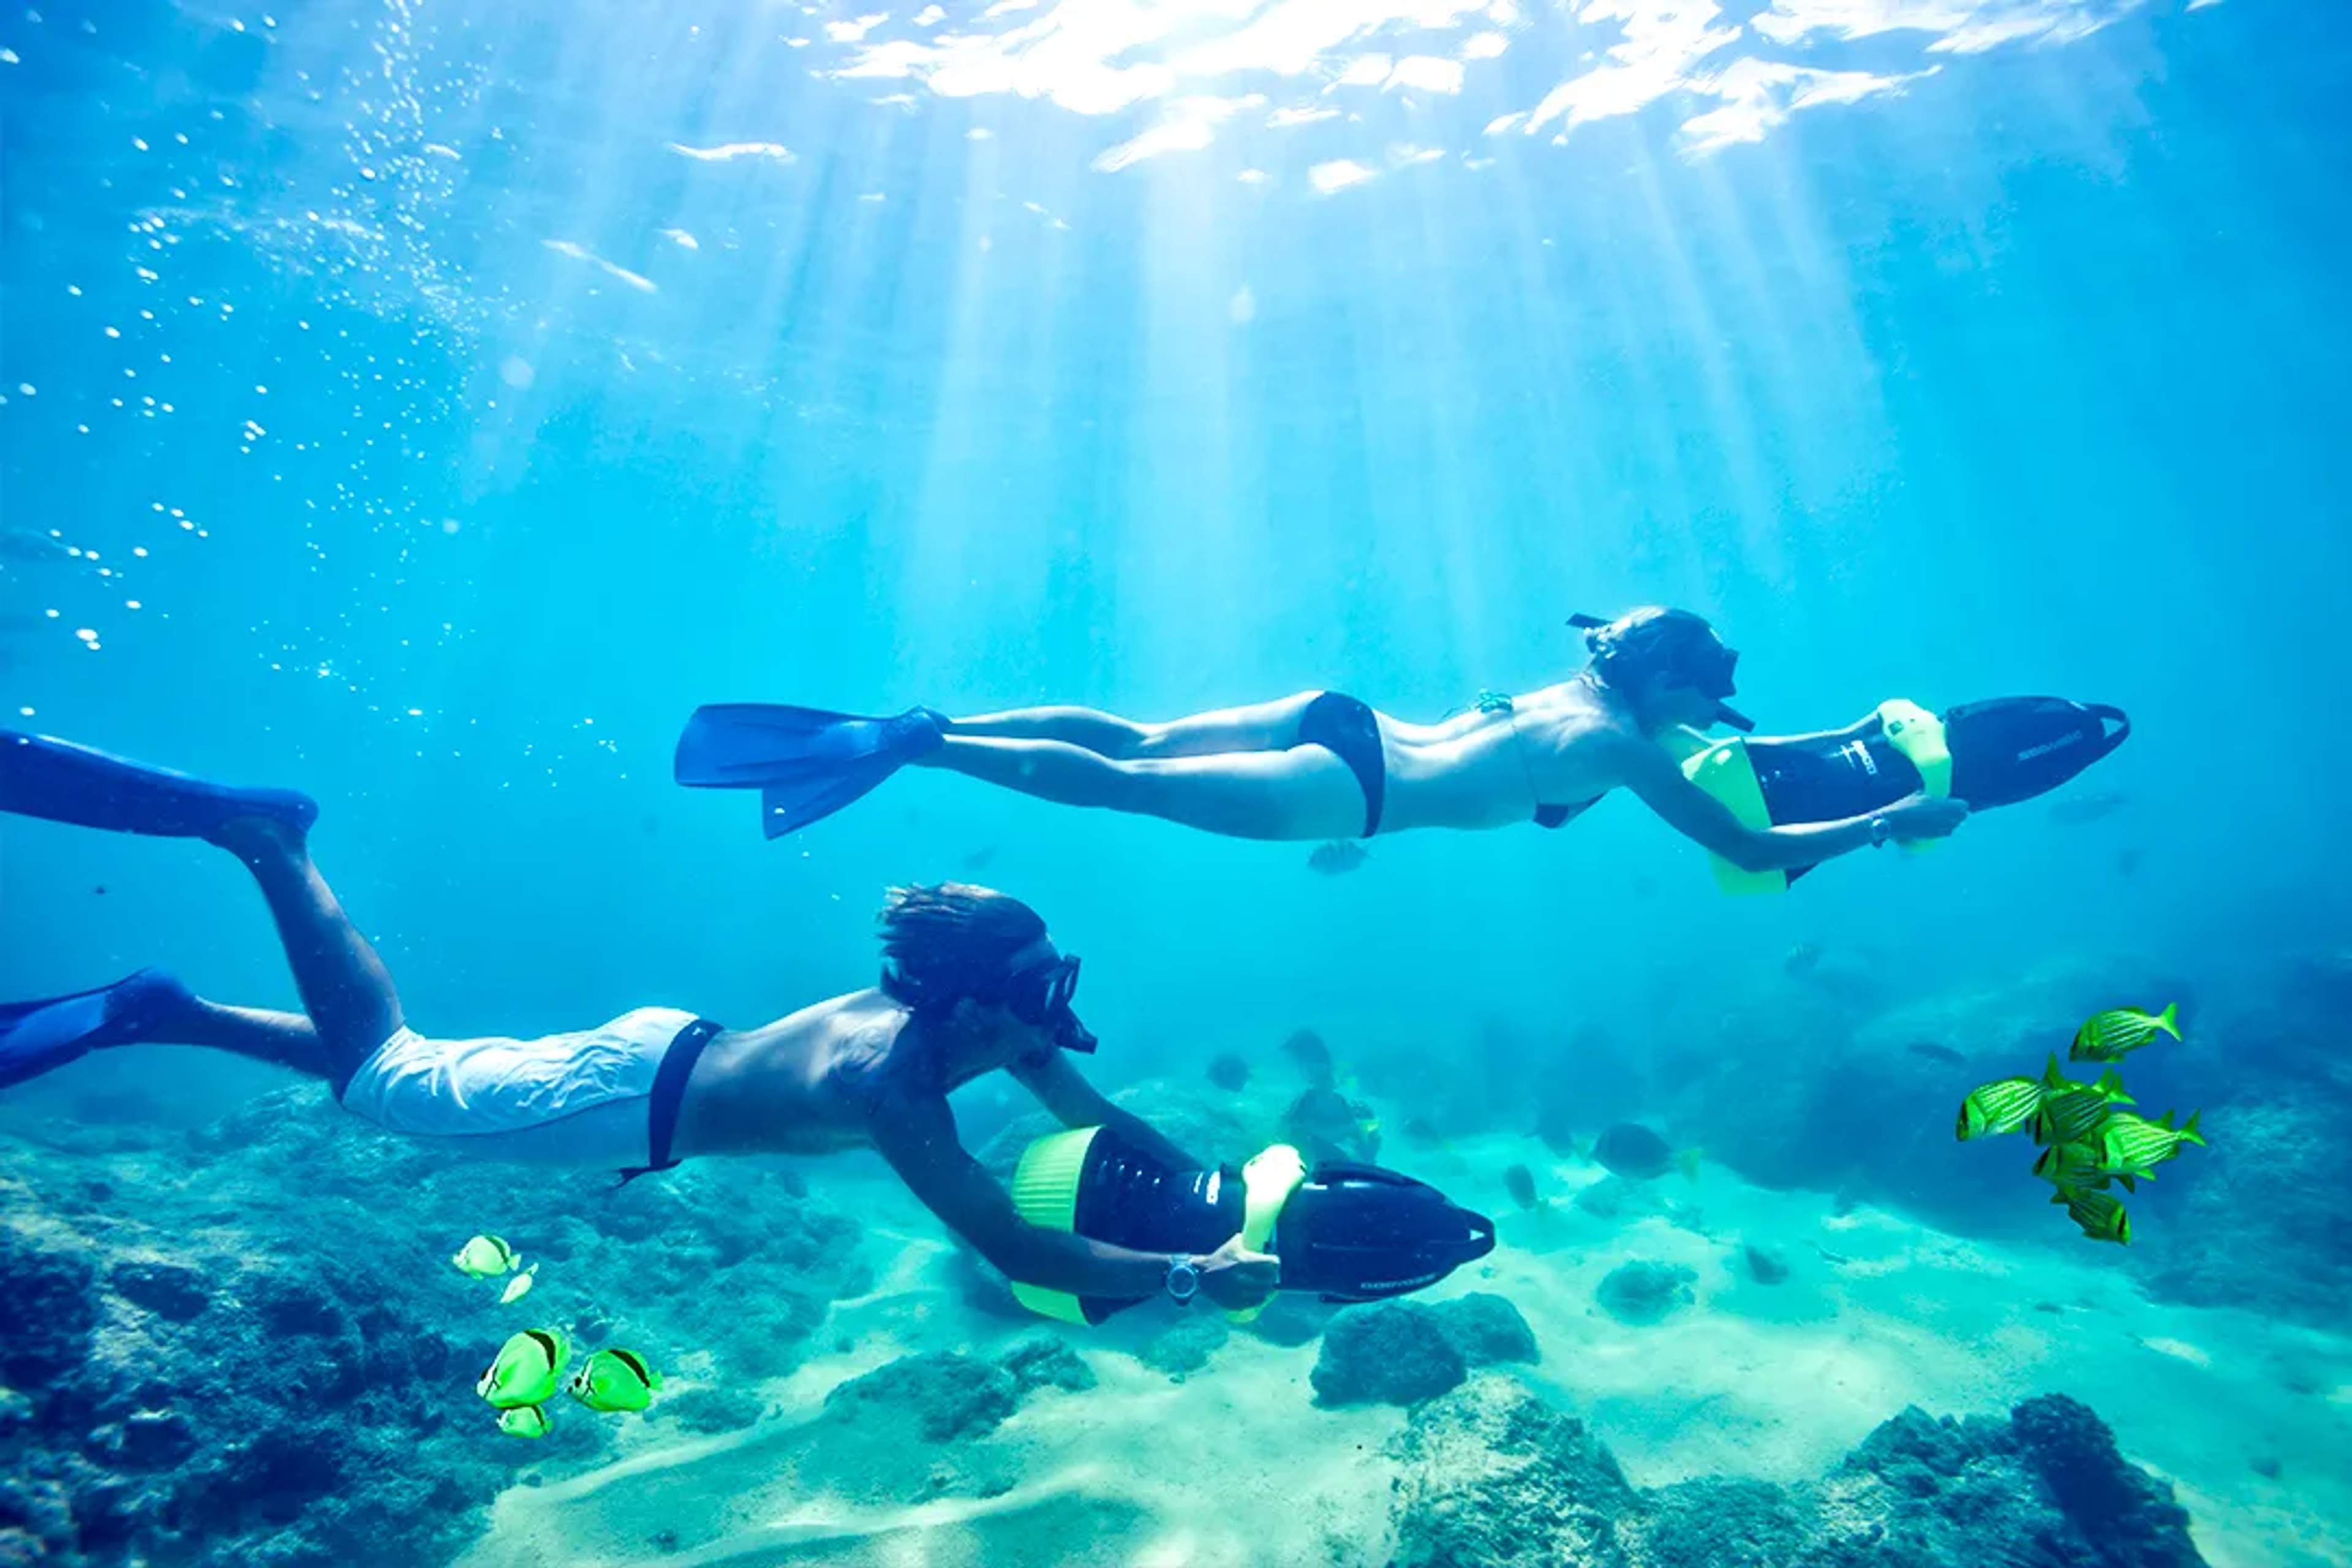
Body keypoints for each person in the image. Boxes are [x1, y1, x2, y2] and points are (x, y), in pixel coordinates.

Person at [0, 729, 1278, 1314]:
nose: (1058, 1001)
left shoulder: (999, 1026)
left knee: (403, 1071)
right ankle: (270, 844)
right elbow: (1017, 1247)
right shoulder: (890, 1080)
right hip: (626, 1103)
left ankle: (163, 1011)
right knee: (390, 1078)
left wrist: (1213, 1187)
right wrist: (1186, 1276)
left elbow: (1099, 1118)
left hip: (664, 1053)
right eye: (1039, 979)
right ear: (968, 994)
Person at [676, 605, 1972, 873]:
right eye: (1709, 689)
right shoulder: (1626, 753)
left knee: (1131, 734)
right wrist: (1886, 813)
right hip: (1348, 791)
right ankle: (921, 752)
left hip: (1338, 713)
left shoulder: (1579, 699)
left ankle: (931, 720)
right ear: (1667, 682)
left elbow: (1738, 754)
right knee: (1127, 787)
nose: (1715, 711)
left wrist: (1851, 729)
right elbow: (1745, 828)